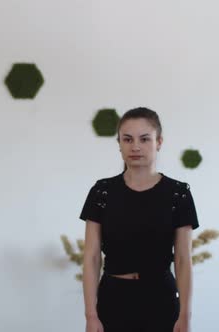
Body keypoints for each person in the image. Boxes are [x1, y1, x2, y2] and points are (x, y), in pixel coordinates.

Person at [80, 107, 198, 332]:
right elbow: (92, 256)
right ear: (119, 144)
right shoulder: (101, 192)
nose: (135, 146)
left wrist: (185, 315)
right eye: (127, 139)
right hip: (112, 300)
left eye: (144, 139)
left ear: (159, 142)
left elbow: (183, 259)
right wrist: (90, 315)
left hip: (161, 300)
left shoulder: (178, 194)